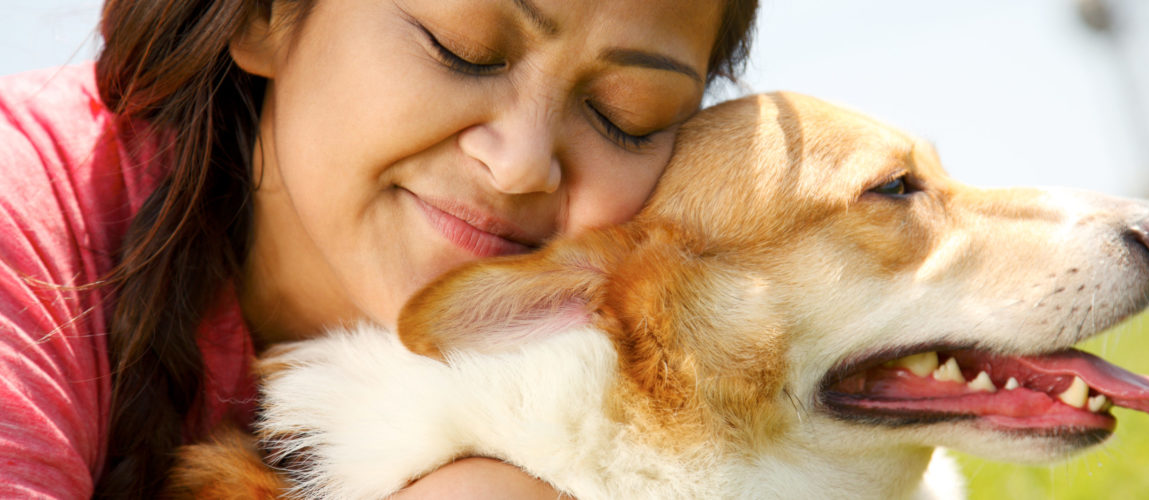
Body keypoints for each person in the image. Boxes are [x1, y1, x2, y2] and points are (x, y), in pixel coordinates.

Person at [0, 0, 758, 497]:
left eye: (626, 116)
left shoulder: (656, 354)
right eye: (462, 48)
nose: (523, 162)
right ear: (265, 14)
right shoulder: (25, 205)